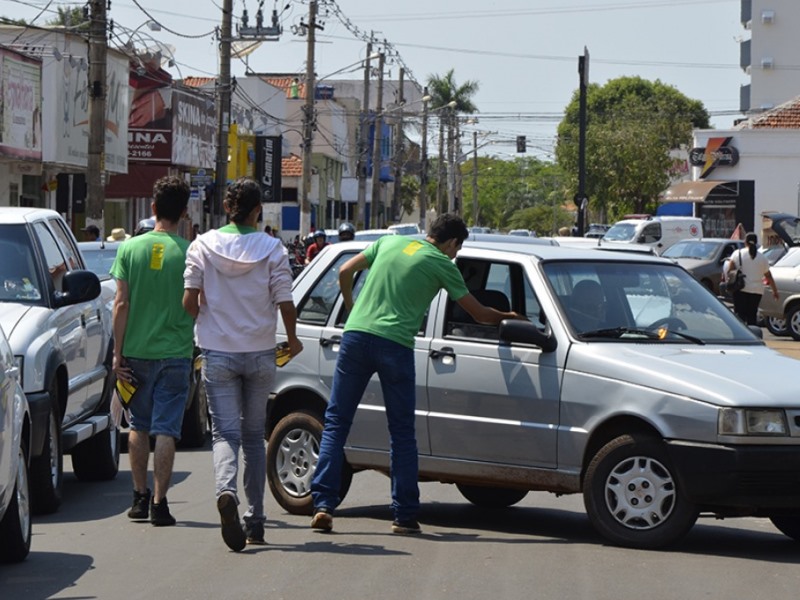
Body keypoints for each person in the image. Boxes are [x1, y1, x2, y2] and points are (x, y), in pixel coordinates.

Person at [310, 213, 524, 534]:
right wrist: (513, 316)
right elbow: (479, 314)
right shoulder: (442, 264)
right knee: (401, 432)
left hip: (355, 336)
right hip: (394, 345)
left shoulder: (388, 242)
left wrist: (352, 307)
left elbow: (344, 271)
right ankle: (405, 515)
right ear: (451, 242)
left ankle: (324, 504)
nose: (456, 255)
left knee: (337, 421)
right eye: (458, 249)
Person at [183, 177, 303, 551]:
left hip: (217, 352)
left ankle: (225, 492)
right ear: (257, 212)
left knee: (223, 434)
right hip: (260, 352)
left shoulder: (202, 245)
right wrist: (294, 339)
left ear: (227, 210)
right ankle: (256, 520)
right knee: (253, 437)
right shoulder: (273, 249)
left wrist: (207, 316)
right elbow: (285, 301)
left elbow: (188, 300)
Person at [110, 176, 194, 527]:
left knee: (139, 426)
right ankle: (161, 503)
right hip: (176, 352)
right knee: (166, 430)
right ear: (185, 213)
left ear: (153, 208)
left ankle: (139, 498)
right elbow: (197, 304)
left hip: (136, 352)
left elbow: (120, 304)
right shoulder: (190, 252)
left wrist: (118, 353)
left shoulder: (129, 249)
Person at [723, 231, 779, 326]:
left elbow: (729, 270)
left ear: (745, 242)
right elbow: (768, 275)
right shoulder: (762, 258)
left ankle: (741, 336)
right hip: (757, 291)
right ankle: (752, 334)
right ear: (756, 242)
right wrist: (775, 291)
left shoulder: (738, 253)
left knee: (740, 315)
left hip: (741, 289)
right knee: (752, 315)